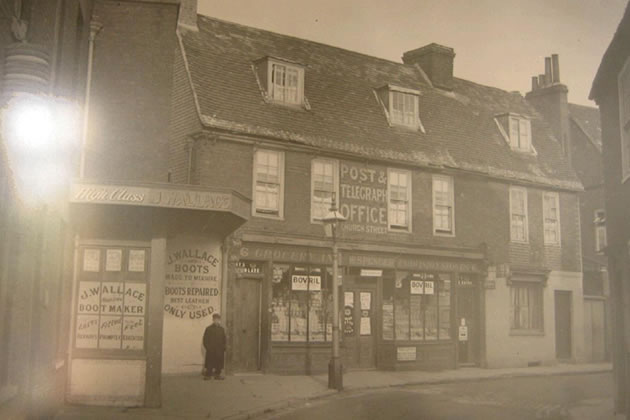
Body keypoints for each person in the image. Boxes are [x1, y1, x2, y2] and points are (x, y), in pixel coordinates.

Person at [203, 313, 226, 380]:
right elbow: (205, 340)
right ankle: (208, 375)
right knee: (210, 362)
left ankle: (217, 375)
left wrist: (223, 348)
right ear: (213, 320)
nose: (217, 321)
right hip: (211, 350)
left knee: (219, 363)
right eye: (215, 319)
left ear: (219, 320)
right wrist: (208, 348)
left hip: (219, 350)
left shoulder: (221, 329)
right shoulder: (208, 329)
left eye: (218, 319)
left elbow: (224, 339)